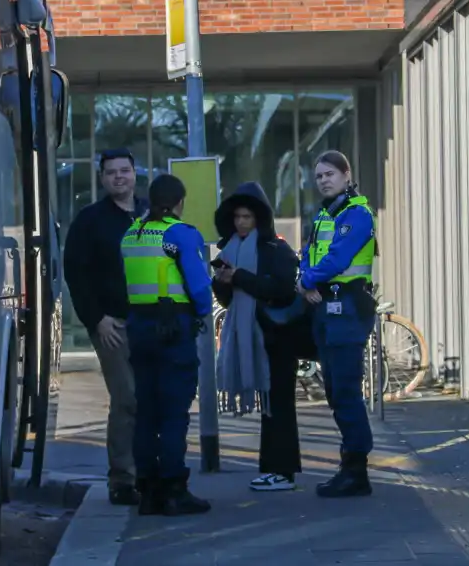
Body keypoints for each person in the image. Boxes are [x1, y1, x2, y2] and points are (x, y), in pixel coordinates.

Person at [121, 174, 213, 516]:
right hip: (172, 329)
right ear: (178, 202)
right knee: (174, 414)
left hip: (139, 329)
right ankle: (175, 489)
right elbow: (200, 288)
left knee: (147, 412)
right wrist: (202, 311)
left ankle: (147, 491)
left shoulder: (131, 234)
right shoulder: (180, 234)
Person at [63, 148, 147, 505]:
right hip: (113, 325)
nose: (118, 177)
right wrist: (96, 320)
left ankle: (151, 472)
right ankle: (123, 478)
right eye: (111, 172)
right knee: (126, 399)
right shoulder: (90, 220)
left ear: (134, 174)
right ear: (102, 178)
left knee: (151, 401)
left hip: (153, 324)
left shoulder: (150, 214)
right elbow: (76, 273)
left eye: (124, 171)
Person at [212, 182, 306, 492]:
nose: (241, 222)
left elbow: (280, 290)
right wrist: (223, 281)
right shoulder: (230, 249)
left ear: (259, 219)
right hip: (252, 336)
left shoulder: (276, 249)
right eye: (237, 217)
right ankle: (271, 469)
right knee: (269, 408)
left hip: (277, 339)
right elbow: (228, 301)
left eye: (247, 217)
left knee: (279, 404)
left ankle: (283, 471)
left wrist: (239, 276)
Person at [297, 150, 377, 498]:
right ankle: (350, 466)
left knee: (345, 390)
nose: (324, 180)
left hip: (346, 308)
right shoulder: (324, 215)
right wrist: (306, 279)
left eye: (330, 174)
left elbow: (338, 257)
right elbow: (309, 255)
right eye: (319, 176)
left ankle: (356, 470)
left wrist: (306, 281)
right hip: (327, 308)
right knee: (333, 389)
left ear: (347, 175)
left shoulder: (356, 214)